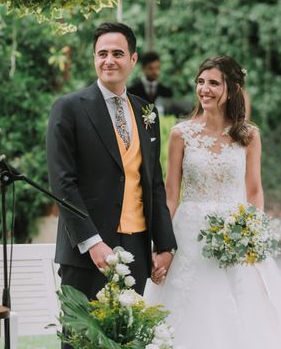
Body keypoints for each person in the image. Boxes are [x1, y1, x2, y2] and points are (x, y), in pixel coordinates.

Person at [144, 55, 281, 348]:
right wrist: (161, 244)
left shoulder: (248, 135)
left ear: (231, 89)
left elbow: (255, 190)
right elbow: (171, 195)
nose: (204, 89)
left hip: (236, 235)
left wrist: (252, 230)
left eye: (213, 83)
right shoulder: (180, 134)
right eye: (200, 82)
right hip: (190, 235)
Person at [47, 22, 177, 344]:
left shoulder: (147, 112)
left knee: (127, 340)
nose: (109, 60)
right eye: (102, 53)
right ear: (93, 59)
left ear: (132, 60)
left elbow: (154, 183)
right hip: (86, 252)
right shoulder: (68, 109)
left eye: (117, 53)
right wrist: (93, 243)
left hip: (135, 249)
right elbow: (63, 184)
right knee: (81, 341)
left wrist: (164, 245)